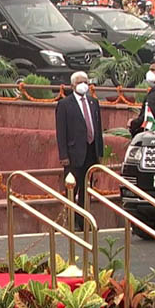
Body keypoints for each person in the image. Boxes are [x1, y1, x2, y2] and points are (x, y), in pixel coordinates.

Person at [55, 71, 104, 228]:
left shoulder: (93, 102)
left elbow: (98, 128)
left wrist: (100, 152)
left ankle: (83, 220)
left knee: (86, 189)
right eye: (80, 82)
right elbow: (61, 132)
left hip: (90, 152)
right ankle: (72, 220)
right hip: (73, 154)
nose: (84, 85)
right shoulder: (64, 104)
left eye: (86, 82)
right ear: (72, 85)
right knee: (72, 188)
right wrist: (63, 155)